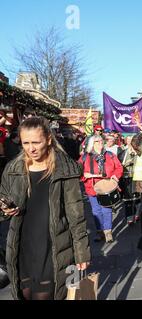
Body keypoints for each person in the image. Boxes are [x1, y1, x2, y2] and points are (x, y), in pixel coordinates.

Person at [0, 117, 90, 300]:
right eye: (26, 143)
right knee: (24, 293)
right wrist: (5, 209)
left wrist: (82, 253)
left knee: (45, 295)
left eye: (36, 142)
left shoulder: (65, 170)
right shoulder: (13, 169)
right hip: (22, 246)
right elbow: (3, 202)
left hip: (54, 247)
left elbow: (76, 215)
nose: (31, 148)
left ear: (48, 139)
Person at [80, 135, 123, 243]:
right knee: (96, 211)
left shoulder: (110, 155)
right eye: (97, 141)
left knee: (106, 209)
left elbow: (119, 167)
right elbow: (78, 171)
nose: (100, 143)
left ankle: (108, 232)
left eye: (101, 141)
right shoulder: (85, 157)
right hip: (91, 187)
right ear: (91, 144)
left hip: (106, 187)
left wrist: (115, 176)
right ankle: (99, 231)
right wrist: (85, 175)